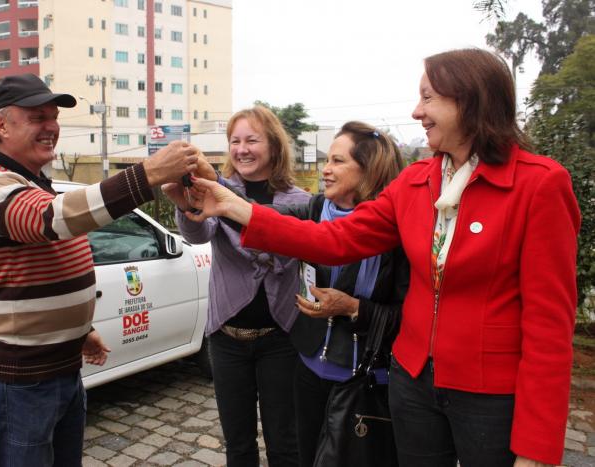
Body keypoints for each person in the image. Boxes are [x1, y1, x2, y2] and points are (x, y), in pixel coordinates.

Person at [185, 49, 580, 467]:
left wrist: (536, 450)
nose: (417, 112)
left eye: (428, 98)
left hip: (487, 396)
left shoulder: (539, 185)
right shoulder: (415, 182)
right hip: (412, 386)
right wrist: (233, 205)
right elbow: (330, 239)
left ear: (468, 100)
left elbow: (549, 327)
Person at [0, 73, 209, 467]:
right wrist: (148, 174)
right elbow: (51, 220)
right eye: (38, 117)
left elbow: (41, 263)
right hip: (23, 378)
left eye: (53, 117)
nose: (52, 127)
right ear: (2, 125)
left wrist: (80, 330)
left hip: (60, 368)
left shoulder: (33, 183)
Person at [163, 106, 309, 466]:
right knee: (238, 444)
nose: (242, 149)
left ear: (274, 146)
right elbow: (199, 234)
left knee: (285, 442)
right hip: (226, 337)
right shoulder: (218, 190)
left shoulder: (301, 202)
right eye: (235, 141)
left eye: (252, 140)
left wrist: (229, 204)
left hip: (280, 337)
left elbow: (289, 251)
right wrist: (186, 207)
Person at [281, 122, 407, 467]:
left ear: (367, 171)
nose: (326, 169)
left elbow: (411, 314)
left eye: (338, 161)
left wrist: (354, 308)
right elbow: (264, 220)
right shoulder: (315, 209)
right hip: (309, 368)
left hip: (366, 381)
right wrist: (216, 192)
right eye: (327, 160)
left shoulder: (398, 228)